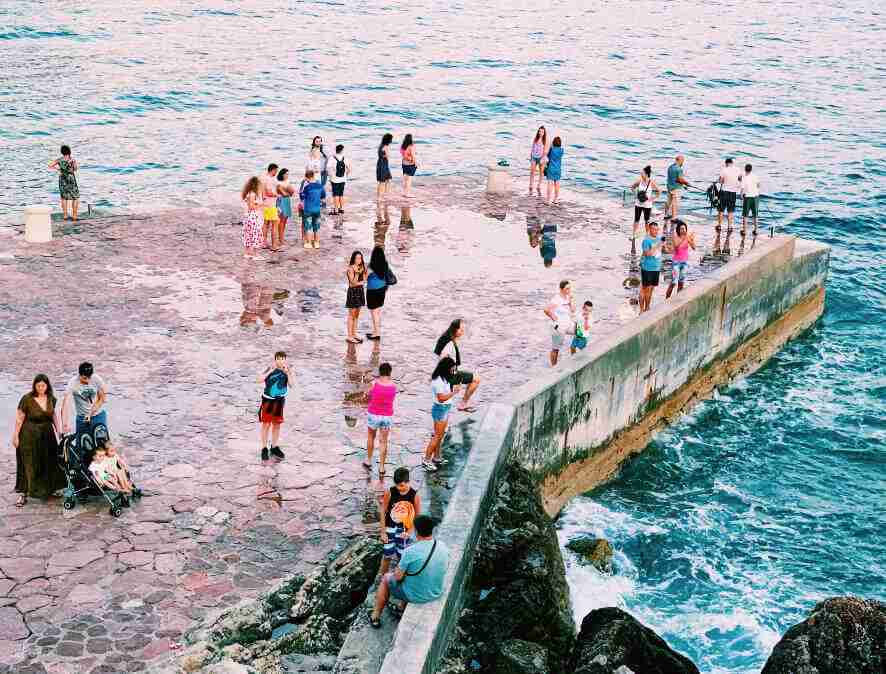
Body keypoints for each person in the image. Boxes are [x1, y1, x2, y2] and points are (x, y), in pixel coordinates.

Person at [369, 514, 449, 628]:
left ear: (416, 531)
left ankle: (375, 615)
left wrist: (398, 567)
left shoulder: (410, 551)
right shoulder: (442, 546)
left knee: (386, 578)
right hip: (436, 591)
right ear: (432, 529)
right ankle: (401, 608)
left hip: (418, 596)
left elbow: (397, 577)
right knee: (413, 573)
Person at [12, 374, 65, 506]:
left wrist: (59, 431)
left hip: (47, 434)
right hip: (29, 435)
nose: (41, 388)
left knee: (49, 461)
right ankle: (23, 493)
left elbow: (54, 416)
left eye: (43, 385)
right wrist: (15, 435)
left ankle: (49, 489)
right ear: (34, 386)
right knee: (28, 463)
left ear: (47, 386)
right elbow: (20, 418)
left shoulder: (51, 399)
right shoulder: (27, 399)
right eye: (38, 385)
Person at [378, 467, 421, 575]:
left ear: (408, 482)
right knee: (387, 555)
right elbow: (383, 510)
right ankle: (383, 579)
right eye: (397, 485)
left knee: (402, 556)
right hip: (390, 528)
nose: (399, 488)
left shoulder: (414, 495)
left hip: (404, 531)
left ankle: (400, 578)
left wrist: (410, 531)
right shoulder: (390, 492)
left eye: (402, 485)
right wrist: (383, 531)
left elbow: (417, 516)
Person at [433, 319, 481, 412]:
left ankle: (463, 404)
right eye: (461, 330)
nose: (462, 332)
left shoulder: (445, 337)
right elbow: (443, 357)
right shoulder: (450, 343)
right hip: (448, 375)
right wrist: (453, 377)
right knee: (476, 379)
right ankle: (463, 404)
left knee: (443, 404)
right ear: (455, 329)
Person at [423, 357, 460, 472]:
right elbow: (441, 398)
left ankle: (437, 457)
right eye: (451, 369)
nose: (452, 371)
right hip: (440, 409)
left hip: (445, 408)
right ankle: (427, 460)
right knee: (437, 436)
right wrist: (454, 392)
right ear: (446, 368)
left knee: (440, 435)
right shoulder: (438, 381)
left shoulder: (444, 378)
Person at [61, 362, 108, 439]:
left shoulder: (97, 379)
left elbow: (102, 399)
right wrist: (64, 425)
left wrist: (90, 413)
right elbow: (65, 404)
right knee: (82, 444)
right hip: (81, 417)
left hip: (98, 415)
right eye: (84, 378)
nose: (88, 381)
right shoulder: (73, 383)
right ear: (79, 375)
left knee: (102, 446)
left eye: (89, 378)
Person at [365, 363, 397, 476]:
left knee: (371, 437)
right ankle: (382, 467)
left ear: (380, 372)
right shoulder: (393, 386)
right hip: (387, 416)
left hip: (373, 414)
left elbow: (368, 396)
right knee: (383, 441)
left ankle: (368, 460)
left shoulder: (373, 384)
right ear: (390, 372)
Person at [257, 351, 289, 462]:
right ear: (275, 360)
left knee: (277, 424)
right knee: (266, 424)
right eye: (278, 359)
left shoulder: (287, 370)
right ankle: (264, 448)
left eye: (283, 358)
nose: (281, 361)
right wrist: (270, 371)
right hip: (268, 400)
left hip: (279, 401)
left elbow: (292, 384)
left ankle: (274, 446)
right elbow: (258, 380)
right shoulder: (269, 368)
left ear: (286, 360)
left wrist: (288, 373)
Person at [544, 280, 575, 366]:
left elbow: (573, 310)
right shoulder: (556, 299)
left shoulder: (568, 297)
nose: (569, 290)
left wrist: (571, 301)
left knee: (580, 333)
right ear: (561, 289)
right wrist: (554, 318)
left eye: (569, 288)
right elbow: (546, 310)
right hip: (558, 326)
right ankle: (554, 368)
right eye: (567, 289)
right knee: (556, 349)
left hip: (568, 323)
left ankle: (574, 356)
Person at [48, 145, 80, 221]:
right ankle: (74, 216)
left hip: (62, 178)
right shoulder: (72, 160)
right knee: (75, 197)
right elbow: (75, 169)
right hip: (71, 178)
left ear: (62, 152)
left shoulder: (59, 160)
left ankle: (65, 215)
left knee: (64, 197)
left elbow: (50, 165)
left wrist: (59, 169)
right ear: (69, 151)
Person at [666, 220, 696, 298]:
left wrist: (691, 240)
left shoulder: (687, 237)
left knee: (681, 282)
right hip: (676, 263)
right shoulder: (675, 237)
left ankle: (678, 298)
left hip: (684, 262)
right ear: (678, 230)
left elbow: (694, 248)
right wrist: (684, 238)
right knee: (673, 282)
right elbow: (676, 246)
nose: (683, 230)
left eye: (684, 229)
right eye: (681, 229)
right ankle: (667, 298)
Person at [639, 221, 665, 312]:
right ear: (649, 229)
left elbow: (662, 251)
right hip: (647, 268)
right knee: (646, 288)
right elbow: (647, 254)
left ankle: (647, 307)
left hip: (656, 267)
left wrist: (664, 245)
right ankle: (643, 309)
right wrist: (657, 245)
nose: (656, 231)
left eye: (657, 229)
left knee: (652, 289)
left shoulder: (659, 239)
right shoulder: (646, 240)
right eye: (654, 229)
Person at [365, 246, 389, 340]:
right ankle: (376, 331)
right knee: (377, 311)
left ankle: (377, 333)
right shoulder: (385, 264)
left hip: (372, 291)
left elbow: (364, 277)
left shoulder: (371, 266)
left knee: (374, 313)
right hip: (382, 289)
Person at [630, 165, 660, 239]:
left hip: (647, 205)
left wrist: (653, 198)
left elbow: (659, 191)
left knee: (647, 221)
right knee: (636, 219)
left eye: (642, 173)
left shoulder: (651, 182)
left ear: (646, 174)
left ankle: (647, 235)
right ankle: (633, 234)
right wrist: (636, 195)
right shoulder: (639, 181)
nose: (641, 174)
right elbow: (632, 187)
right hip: (638, 204)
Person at [346, 250, 366, 344]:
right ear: (353, 259)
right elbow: (353, 283)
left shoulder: (361, 267)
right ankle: (349, 336)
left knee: (357, 315)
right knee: (351, 315)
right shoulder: (351, 269)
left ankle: (354, 333)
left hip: (360, 291)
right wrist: (357, 274)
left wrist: (363, 275)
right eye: (357, 258)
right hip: (353, 292)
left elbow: (365, 279)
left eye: (360, 258)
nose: (359, 260)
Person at [300, 170, 324, 249]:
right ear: (313, 175)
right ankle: (316, 243)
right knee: (316, 226)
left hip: (308, 209)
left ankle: (309, 243)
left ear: (306, 177)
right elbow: (323, 196)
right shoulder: (320, 185)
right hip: (317, 209)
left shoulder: (307, 187)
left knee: (308, 227)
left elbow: (302, 196)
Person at [240, 176, 264, 256]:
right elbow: (251, 207)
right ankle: (255, 254)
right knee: (256, 234)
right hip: (253, 216)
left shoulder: (249, 193)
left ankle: (247, 253)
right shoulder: (253, 194)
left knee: (248, 234)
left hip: (248, 216)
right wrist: (261, 205)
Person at [717, 157, 740, 232]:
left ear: (726, 163)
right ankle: (729, 226)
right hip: (733, 192)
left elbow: (720, 181)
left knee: (721, 209)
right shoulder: (738, 170)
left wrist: (722, 180)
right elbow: (740, 180)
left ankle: (719, 225)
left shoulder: (724, 169)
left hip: (724, 191)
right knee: (731, 210)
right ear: (732, 163)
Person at [274, 168, 295, 250]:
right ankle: (280, 239)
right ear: (282, 174)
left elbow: (292, 192)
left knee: (285, 220)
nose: (287, 176)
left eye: (288, 174)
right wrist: (287, 191)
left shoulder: (287, 182)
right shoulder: (278, 183)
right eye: (286, 174)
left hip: (286, 201)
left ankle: (281, 237)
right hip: (281, 201)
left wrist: (287, 191)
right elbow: (284, 193)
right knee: (281, 221)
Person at [666, 155, 690, 222]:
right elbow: (680, 179)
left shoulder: (670, 167)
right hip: (676, 188)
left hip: (669, 187)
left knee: (668, 201)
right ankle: (674, 218)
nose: (683, 163)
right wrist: (687, 183)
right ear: (680, 160)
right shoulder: (679, 169)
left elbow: (673, 178)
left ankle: (666, 214)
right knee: (675, 203)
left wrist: (682, 183)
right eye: (682, 161)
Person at [329, 144, 351, 215]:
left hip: (334, 179)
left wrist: (331, 177)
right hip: (343, 179)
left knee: (335, 195)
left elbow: (328, 168)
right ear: (342, 150)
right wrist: (345, 176)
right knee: (341, 194)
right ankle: (341, 209)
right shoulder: (345, 158)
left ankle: (336, 210)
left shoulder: (332, 158)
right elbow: (349, 169)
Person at [261, 163, 279, 247]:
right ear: (273, 170)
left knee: (266, 223)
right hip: (270, 204)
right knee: (274, 223)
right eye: (276, 171)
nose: (276, 172)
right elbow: (268, 192)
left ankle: (263, 242)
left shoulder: (264, 177)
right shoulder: (268, 179)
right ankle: (274, 245)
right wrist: (277, 195)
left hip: (265, 204)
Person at [741, 163, 761, 234]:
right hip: (756, 197)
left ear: (745, 169)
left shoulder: (744, 177)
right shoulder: (755, 176)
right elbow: (758, 185)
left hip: (748, 197)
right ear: (751, 169)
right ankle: (756, 230)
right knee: (755, 215)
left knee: (745, 215)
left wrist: (741, 195)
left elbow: (742, 189)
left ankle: (744, 231)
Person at [544, 136, 564, 204]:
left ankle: (548, 200)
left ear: (553, 142)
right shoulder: (561, 150)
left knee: (550, 184)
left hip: (551, 168)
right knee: (557, 184)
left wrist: (550, 144)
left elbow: (546, 154)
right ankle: (555, 199)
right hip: (558, 169)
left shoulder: (551, 150)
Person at [529, 126, 547, 196]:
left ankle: (539, 185)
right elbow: (532, 148)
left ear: (544, 133)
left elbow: (545, 151)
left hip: (541, 158)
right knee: (532, 171)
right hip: (534, 156)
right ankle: (531, 184)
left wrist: (543, 158)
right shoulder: (535, 139)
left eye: (542, 132)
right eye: (539, 131)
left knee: (541, 172)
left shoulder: (545, 140)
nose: (540, 133)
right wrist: (531, 156)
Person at [376, 133, 393, 202]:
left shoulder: (380, 146)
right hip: (384, 165)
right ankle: (380, 197)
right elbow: (388, 156)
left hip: (380, 164)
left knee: (387, 179)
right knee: (383, 181)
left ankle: (383, 195)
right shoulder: (386, 147)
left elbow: (381, 155)